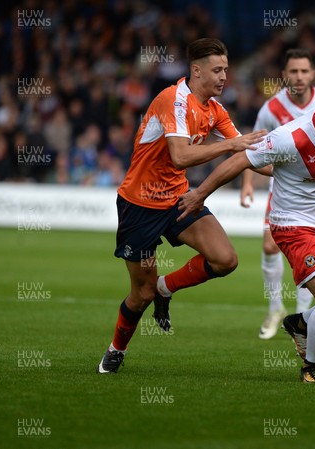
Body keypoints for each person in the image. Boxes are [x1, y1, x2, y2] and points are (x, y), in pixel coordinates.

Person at [177, 79, 315, 384]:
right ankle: (311, 368)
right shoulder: (289, 138)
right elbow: (239, 160)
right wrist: (200, 194)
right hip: (292, 224)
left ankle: (300, 323)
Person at [97, 38, 267, 373]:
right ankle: (117, 348)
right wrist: (232, 145)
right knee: (140, 295)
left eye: (226, 70)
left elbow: (248, 153)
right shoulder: (172, 100)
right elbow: (180, 156)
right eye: (217, 70)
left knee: (225, 259)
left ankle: (166, 287)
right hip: (140, 205)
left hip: (178, 200)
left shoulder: (215, 110)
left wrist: (303, 167)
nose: (223, 77)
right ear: (196, 70)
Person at [240, 49, 315, 340]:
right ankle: (275, 308)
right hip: (283, 187)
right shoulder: (271, 108)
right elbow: (254, 146)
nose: (298, 77)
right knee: (270, 247)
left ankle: (301, 316)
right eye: (293, 71)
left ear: (312, 74)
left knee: (308, 251)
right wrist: (247, 183)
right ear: (284, 75)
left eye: (304, 71)